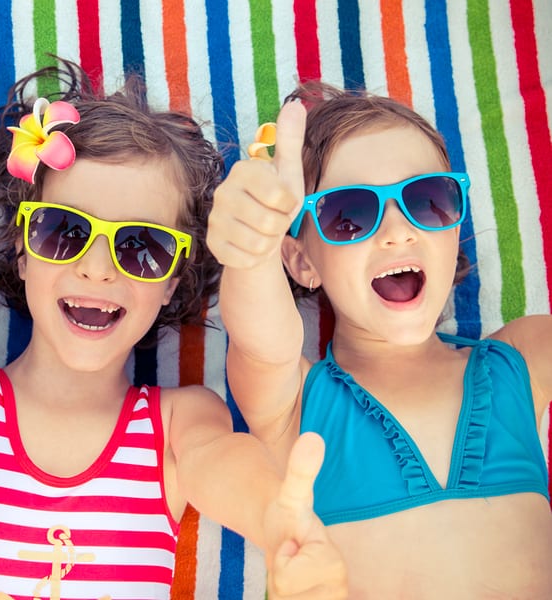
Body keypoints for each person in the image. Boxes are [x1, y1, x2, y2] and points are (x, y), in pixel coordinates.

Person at [0, 60, 347, 599]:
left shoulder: (177, 423)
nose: (96, 269)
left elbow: (223, 465)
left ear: (172, 281)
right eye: (63, 231)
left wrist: (276, 519)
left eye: (141, 246)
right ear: (22, 252)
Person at [206, 80, 552, 598]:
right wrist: (249, 252)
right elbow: (261, 337)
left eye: (428, 199)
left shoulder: (523, 355)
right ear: (302, 260)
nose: (396, 231)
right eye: (350, 215)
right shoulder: (299, 404)